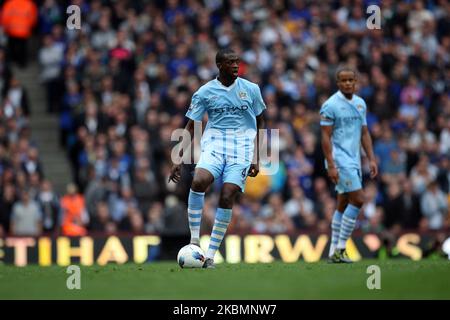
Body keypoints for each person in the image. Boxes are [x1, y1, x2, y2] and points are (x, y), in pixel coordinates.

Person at [169, 49, 266, 268]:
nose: (235, 65)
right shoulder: (205, 92)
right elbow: (191, 125)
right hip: (214, 145)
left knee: (227, 194)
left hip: (241, 149)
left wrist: (257, 157)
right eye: (230, 62)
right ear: (219, 65)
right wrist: (178, 158)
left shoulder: (251, 89)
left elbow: (261, 122)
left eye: (237, 62)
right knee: (198, 181)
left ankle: (210, 254)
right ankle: (194, 241)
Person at [320, 66, 378, 263]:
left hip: (353, 160)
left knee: (343, 202)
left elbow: (364, 132)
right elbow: (325, 137)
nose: (347, 83)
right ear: (338, 83)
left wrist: (371, 158)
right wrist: (331, 164)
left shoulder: (361, 104)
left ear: (356, 82)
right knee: (359, 199)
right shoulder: (330, 105)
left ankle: (332, 251)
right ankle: (341, 248)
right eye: (343, 80)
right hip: (339, 160)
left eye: (350, 80)